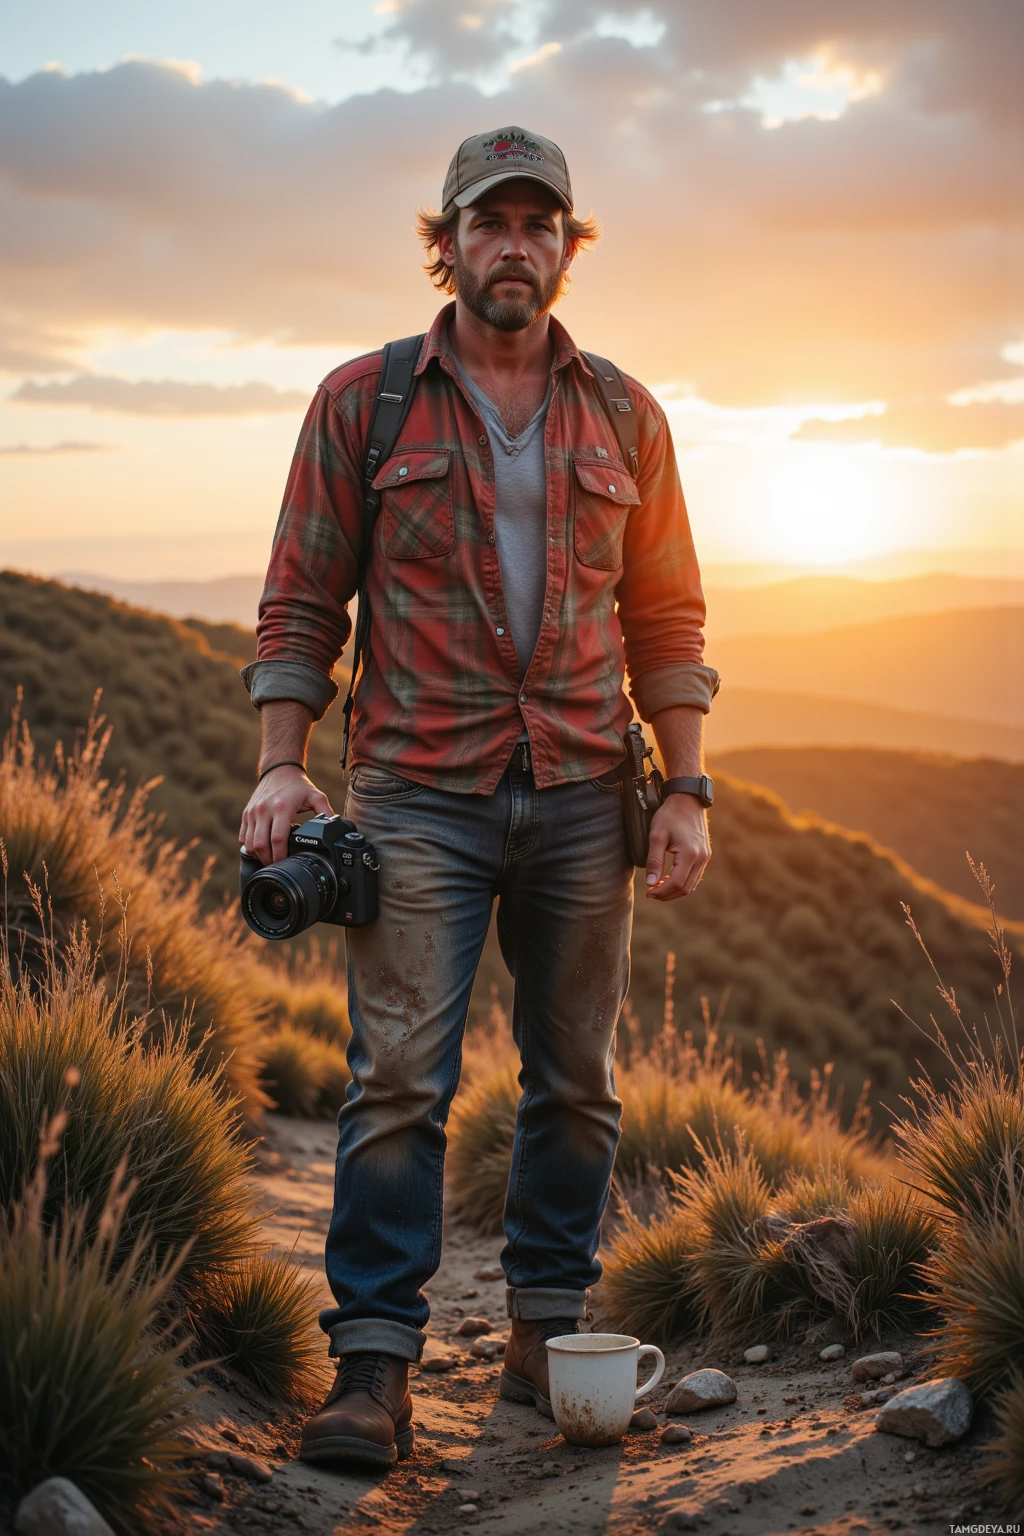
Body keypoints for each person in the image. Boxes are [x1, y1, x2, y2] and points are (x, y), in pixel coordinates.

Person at [239, 125, 719, 1468]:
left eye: (539, 221)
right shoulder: (366, 401)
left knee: (577, 1084)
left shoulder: (626, 414)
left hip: (585, 792)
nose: (514, 243)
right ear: (442, 244)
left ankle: (541, 1342)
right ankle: (375, 1373)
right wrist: (282, 761)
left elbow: (668, 613)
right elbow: (300, 595)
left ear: (568, 247)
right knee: (397, 1079)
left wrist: (683, 786)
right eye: (487, 221)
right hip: (415, 796)